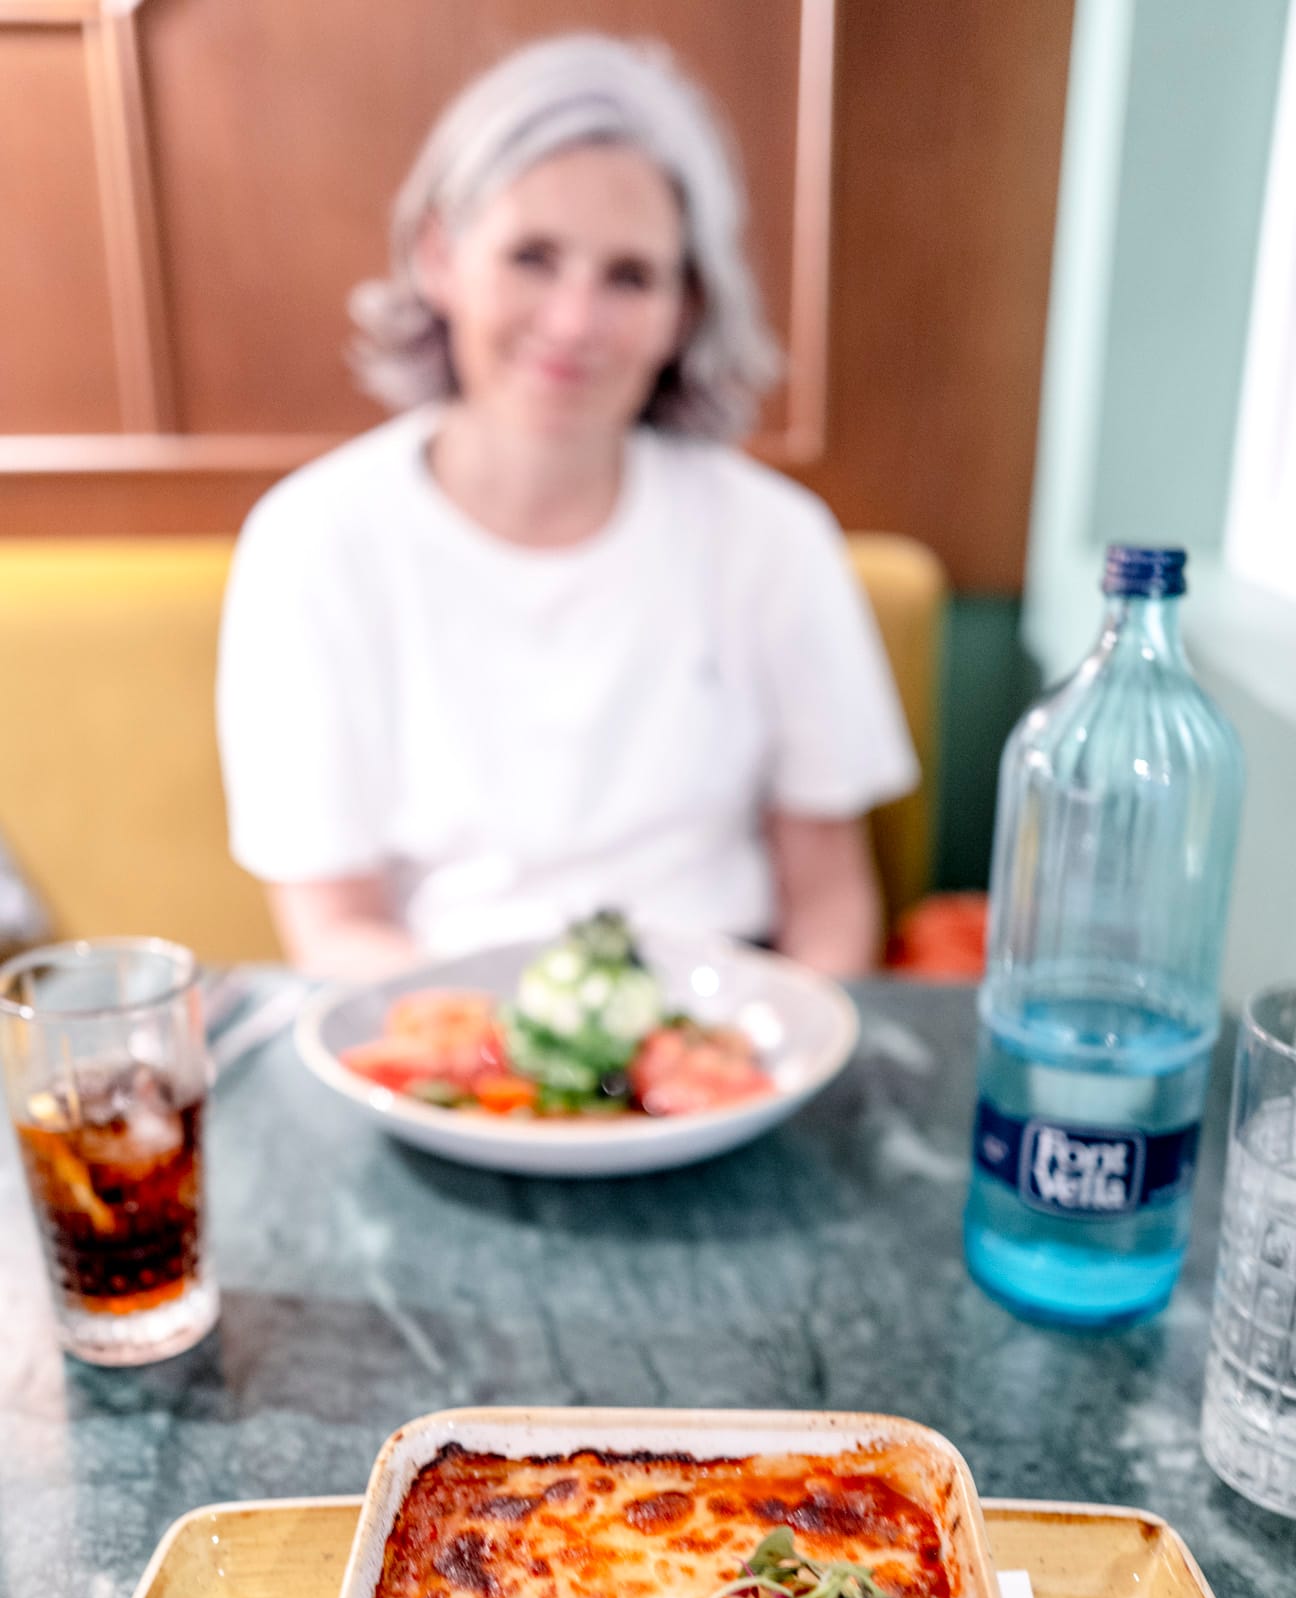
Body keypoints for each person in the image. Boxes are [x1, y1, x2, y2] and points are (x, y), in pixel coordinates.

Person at [217, 34, 918, 979]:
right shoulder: (311, 543)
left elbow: (830, 898)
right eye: (532, 257)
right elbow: (334, 930)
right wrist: (525, 1055)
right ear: (439, 256)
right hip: (436, 1015)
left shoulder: (774, 540)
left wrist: (764, 1041)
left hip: (725, 1016)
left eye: (629, 276)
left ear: (684, 310)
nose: (573, 322)